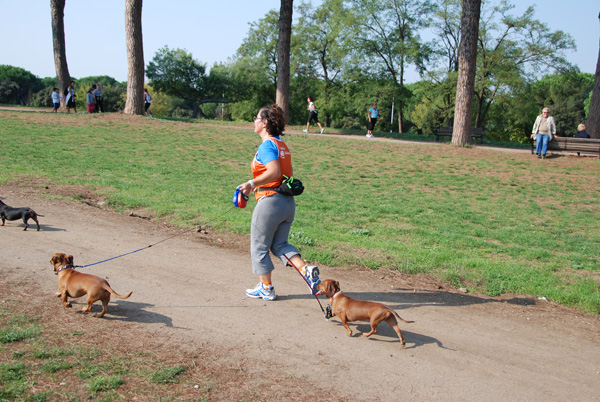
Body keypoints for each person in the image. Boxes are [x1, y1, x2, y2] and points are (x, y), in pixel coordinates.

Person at [237, 104, 321, 301]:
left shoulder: (266, 145)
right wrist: (262, 184)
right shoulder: (281, 145)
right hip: (286, 203)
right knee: (280, 244)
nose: (254, 121)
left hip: (270, 203)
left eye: (256, 118)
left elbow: (274, 172)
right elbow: (286, 174)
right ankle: (306, 270)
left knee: (259, 246)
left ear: (265, 123)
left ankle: (266, 288)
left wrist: (251, 183)